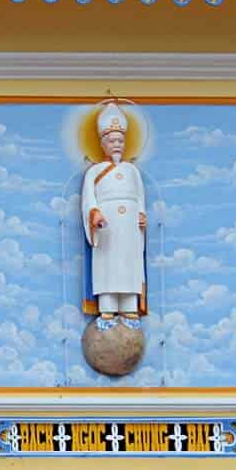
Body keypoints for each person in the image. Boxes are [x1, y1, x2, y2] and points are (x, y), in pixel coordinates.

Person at [80, 100, 148, 330]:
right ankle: (107, 306)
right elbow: (88, 198)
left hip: (129, 226)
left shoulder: (132, 171)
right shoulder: (95, 171)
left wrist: (141, 214)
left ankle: (129, 305)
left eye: (120, 141)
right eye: (112, 141)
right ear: (103, 144)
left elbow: (140, 197)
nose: (117, 144)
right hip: (106, 228)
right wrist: (94, 213)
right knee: (108, 263)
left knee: (129, 262)